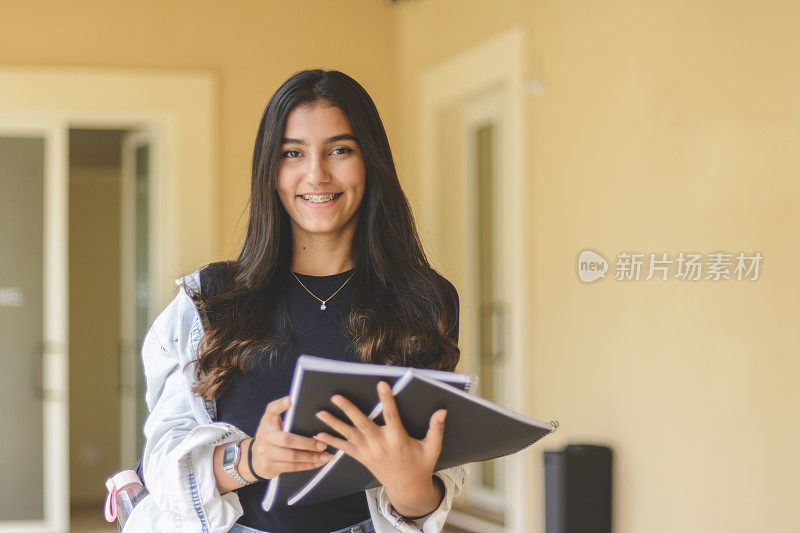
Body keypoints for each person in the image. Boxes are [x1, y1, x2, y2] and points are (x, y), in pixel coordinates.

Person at [124, 69, 465, 533]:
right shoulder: (210, 300)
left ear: (371, 161)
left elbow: (435, 476)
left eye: (340, 150)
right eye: (293, 153)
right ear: (270, 169)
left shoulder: (425, 301)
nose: (316, 174)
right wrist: (249, 459)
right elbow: (161, 465)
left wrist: (411, 488)